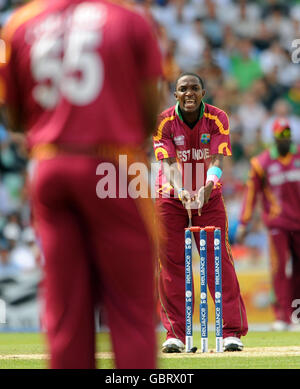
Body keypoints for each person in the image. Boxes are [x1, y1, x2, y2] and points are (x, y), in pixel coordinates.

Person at [0, 0, 162, 368]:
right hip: (114, 162)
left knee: (65, 309)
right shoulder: (129, 18)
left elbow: (13, 116)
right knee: (130, 307)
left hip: (50, 163)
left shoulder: (21, 23)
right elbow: (150, 110)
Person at [153, 72, 248, 353]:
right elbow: (169, 163)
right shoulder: (164, 122)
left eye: (195, 88)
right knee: (171, 266)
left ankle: (230, 332)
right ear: (176, 95)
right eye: (183, 89)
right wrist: (181, 190)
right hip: (171, 197)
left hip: (210, 195)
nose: (189, 93)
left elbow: (218, 158)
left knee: (218, 262)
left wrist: (208, 185)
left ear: (203, 93)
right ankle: (176, 335)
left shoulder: (218, 118)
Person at [237, 118, 300, 331]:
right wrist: (244, 223)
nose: (284, 140)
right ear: (272, 138)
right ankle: (282, 317)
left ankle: (296, 315)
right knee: (278, 268)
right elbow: (251, 194)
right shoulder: (261, 163)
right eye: (280, 136)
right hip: (278, 225)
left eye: (287, 136)